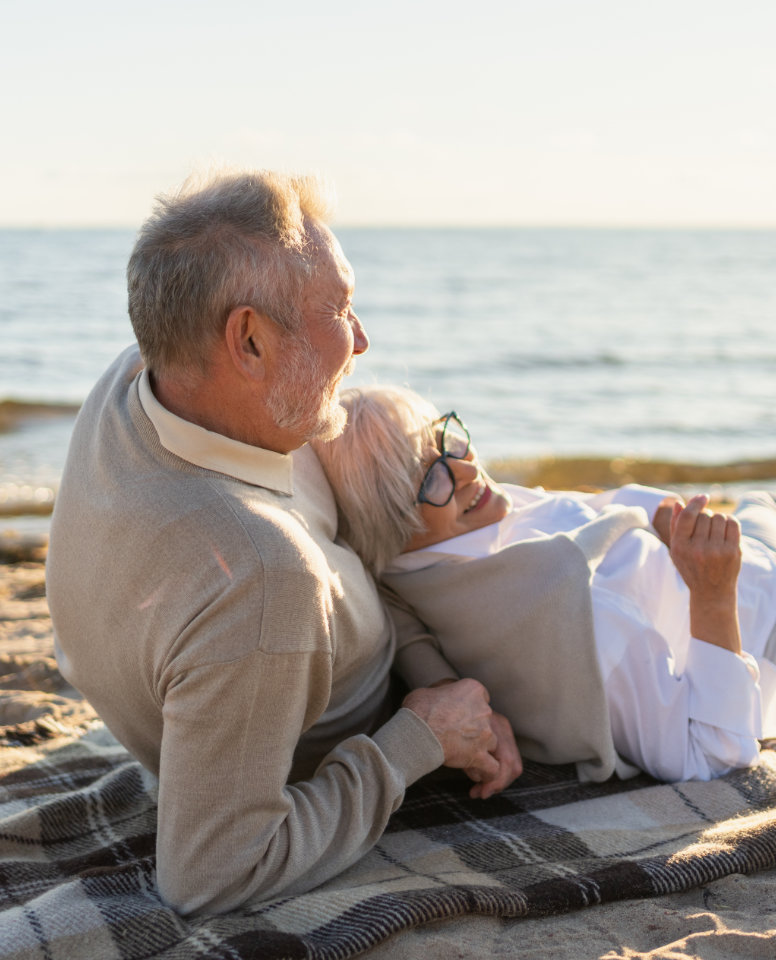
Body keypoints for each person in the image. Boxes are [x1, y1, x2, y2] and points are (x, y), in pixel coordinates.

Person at [45, 171, 521, 918]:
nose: (363, 340)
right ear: (249, 340)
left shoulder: (152, 371)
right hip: (370, 697)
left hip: (388, 637)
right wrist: (421, 738)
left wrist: (427, 674)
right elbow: (210, 876)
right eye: (340, 311)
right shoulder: (257, 575)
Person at [313, 385, 776, 784]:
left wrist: (653, 514)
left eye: (448, 442)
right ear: (388, 524)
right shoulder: (574, 605)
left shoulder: (434, 563)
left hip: (702, 574)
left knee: (772, 523)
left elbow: (575, 511)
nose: (465, 470)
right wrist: (715, 593)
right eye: (430, 476)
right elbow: (715, 751)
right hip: (767, 614)